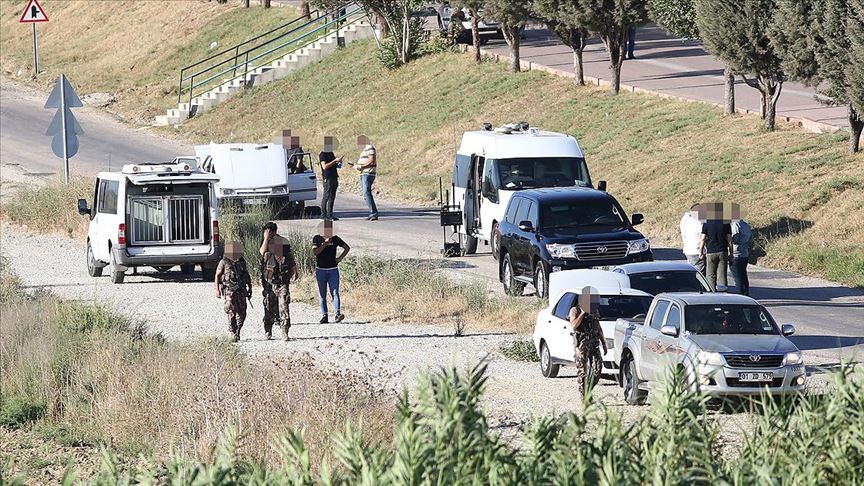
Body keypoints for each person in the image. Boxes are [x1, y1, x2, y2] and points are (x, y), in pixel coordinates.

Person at [259, 222, 297, 341]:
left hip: (282, 281)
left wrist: (294, 270)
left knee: (284, 306)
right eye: (266, 232)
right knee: (269, 307)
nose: (268, 234)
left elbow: (289, 256)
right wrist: (266, 239)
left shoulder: (283, 242)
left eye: (270, 232)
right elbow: (262, 252)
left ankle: (285, 331)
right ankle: (268, 331)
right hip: (269, 282)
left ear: (275, 231)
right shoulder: (265, 242)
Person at [568, 287, 607, 399]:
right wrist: (582, 313)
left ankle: (588, 390)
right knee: (582, 372)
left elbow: (598, 327)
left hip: (594, 342)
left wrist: (603, 342)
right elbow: (574, 325)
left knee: (597, 369)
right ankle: (584, 397)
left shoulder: (594, 311)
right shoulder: (575, 310)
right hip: (582, 344)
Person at [312, 220, 350, 324]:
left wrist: (340, 258)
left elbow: (347, 247)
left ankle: (337, 314)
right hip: (320, 270)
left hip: (333, 270)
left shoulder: (335, 238)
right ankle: (324, 316)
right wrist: (325, 244)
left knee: (335, 292)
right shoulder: (317, 238)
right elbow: (315, 252)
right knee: (322, 294)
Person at [215, 241, 252, 342]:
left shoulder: (242, 262)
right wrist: (217, 289)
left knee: (242, 313)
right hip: (229, 291)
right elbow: (217, 275)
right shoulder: (224, 262)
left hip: (241, 291)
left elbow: (246, 275)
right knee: (230, 311)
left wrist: (250, 288)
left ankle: (238, 331)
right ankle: (232, 332)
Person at [699, 203, 732, 291]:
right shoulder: (726, 223)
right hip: (723, 251)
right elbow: (729, 240)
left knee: (710, 275)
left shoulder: (707, 223)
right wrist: (731, 253)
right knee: (722, 275)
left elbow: (703, 239)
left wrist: (701, 251)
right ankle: (723, 293)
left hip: (711, 252)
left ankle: (712, 293)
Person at [353, 135, 379, 220]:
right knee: (365, 193)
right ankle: (372, 212)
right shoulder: (364, 150)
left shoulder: (370, 148)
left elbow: (372, 160)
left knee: (366, 192)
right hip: (363, 173)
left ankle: (373, 213)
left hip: (368, 173)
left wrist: (361, 167)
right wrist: (356, 166)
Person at [319, 143, 343, 221]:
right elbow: (325, 166)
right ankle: (323, 215)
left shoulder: (331, 153)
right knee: (326, 195)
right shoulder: (323, 154)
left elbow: (334, 165)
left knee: (332, 196)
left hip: (334, 176)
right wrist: (334, 160)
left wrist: (339, 162)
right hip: (327, 177)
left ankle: (330, 214)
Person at [680, 203, 705, 274]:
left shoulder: (685, 220)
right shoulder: (698, 222)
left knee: (691, 271)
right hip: (697, 251)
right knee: (700, 273)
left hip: (688, 250)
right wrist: (702, 250)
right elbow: (702, 236)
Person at [731, 217, 752, 296]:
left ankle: (740, 294)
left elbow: (734, 238)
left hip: (736, 253)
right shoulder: (746, 225)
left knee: (737, 277)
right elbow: (750, 238)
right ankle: (746, 293)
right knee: (743, 275)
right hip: (745, 253)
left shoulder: (735, 224)